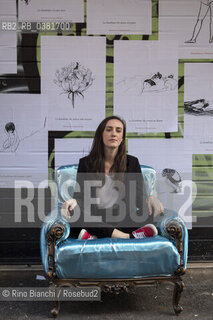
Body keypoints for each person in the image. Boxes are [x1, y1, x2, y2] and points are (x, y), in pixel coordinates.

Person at [61, 116, 164, 240]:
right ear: (101, 135)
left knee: (153, 212)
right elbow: (81, 198)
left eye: (118, 130)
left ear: (122, 138)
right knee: (73, 212)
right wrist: (73, 202)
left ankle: (96, 236)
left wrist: (151, 198)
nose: (114, 133)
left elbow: (140, 200)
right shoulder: (86, 163)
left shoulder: (132, 162)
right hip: (95, 219)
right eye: (109, 129)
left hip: (123, 220)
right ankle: (127, 237)